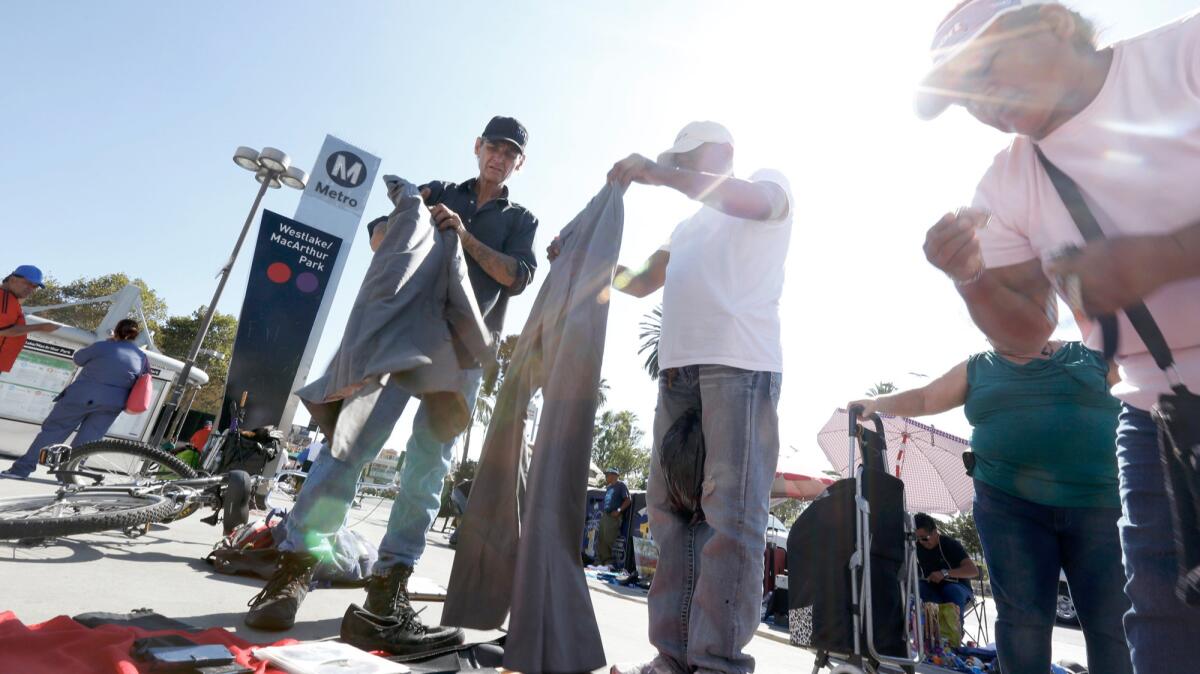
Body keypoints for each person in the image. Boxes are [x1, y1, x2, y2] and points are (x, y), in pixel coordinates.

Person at [915, 1, 1200, 669]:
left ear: (1054, 21)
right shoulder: (1007, 181)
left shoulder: (1183, 55)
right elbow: (1027, 331)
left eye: (986, 65)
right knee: (1164, 629)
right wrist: (971, 278)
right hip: (1156, 417)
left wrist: (1165, 255)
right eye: (961, 96)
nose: (981, 100)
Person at [244, 116, 539, 652]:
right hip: (401, 339)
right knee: (348, 447)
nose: (499, 157)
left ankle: (388, 588)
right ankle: (293, 572)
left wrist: (462, 236)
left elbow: (515, 277)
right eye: (493, 146)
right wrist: (420, 217)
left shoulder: (520, 218)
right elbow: (380, 237)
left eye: (510, 152)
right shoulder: (437, 191)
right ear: (476, 147)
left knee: (427, 471)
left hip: (462, 354)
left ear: (520, 163)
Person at [594, 121, 793, 674]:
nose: (680, 169)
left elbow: (757, 203)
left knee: (730, 520)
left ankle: (717, 664)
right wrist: (588, 262)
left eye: (689, 159)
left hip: (740, 368)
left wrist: (661, 173)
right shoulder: (684, 228)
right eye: (676, 161)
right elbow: (638, 281)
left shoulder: (766, 184)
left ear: (724, 154)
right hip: (677, 376)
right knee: (673, 517)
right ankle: (672, 659)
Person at [850, 339, 1132, 673]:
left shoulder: (1093, 356)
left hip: (1101, 504)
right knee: (1023, 621)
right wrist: (878, 402)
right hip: (1010, 508)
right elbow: (926, 397)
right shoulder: (979, 366)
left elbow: (1146, 391)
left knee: (1113, 622)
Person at [3, 319, 148, 480]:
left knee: (53, 433)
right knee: (88, 442)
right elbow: (141, 379)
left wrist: (107, 344)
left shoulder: (102, 347)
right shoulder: (141, 357)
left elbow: (78, 359)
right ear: (135, 335)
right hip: (111, 405)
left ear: (116, 331)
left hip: (80, 397)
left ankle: (21, 470)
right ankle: (68, 476)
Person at [911, 515, 978, 627]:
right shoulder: (916, 546)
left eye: (924, 538)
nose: (922, 542)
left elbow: (973, 570)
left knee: (951, 590)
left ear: (935, 532)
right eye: (917, 538)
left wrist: (945, 573)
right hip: (934, 590)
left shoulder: (950, 544)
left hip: (959, 588)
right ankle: (931, 631)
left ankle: (954, 633)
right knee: (918, 587)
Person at [0, 265, 58, 376]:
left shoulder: (9, 299)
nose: (31, 289)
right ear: (12, 280)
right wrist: (40, 327)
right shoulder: (5, 298)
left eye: (34, 286)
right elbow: (3, 330)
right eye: (28, 283)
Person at [596, 467, 631, 567]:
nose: (606, 476)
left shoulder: (621, 485)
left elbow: (628, 500)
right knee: (601, 538)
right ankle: (599, 563)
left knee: (608, 539)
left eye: (608, 474)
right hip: (606, 515)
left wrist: (619, 511)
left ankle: (608, 563)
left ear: (614, 475)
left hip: (614, 517)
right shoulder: (609, 487)